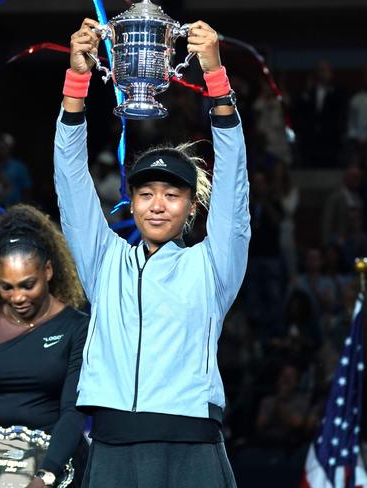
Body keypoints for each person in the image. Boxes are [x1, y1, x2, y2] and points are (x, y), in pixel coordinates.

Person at [54, 18, 249, 487]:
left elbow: (234, 189)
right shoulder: (104, 260)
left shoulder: (212, 264)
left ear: (191, 207)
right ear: (133, 202)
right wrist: (76, 83)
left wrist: (216, 80)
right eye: (145, 193)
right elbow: (70, 182)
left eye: (172, 194)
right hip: (113, 446)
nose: (157, 204)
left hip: (192, 449)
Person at [0, 204, 89, 488]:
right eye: (7, 287)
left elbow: (73, 411)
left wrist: (45, 476)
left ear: (48, 271)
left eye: (27, 285)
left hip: (56, 464)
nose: (17, 297)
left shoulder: (77, 326)